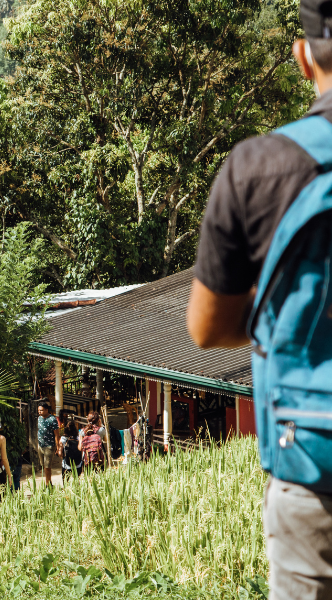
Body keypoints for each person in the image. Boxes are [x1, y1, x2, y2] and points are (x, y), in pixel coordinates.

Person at [187, 3, 332, 596]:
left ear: (303, 57)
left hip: (312, 472)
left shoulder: (258, 167)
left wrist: (289, 312)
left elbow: (207, 328)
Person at [35, 402, 59, 489]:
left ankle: (48, 484)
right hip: (40, 445)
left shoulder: (52, 419)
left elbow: (57, 434)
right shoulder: (39, 418)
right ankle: (48, 482)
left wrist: (58, 447)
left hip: (49, 446)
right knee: (43, 465)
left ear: (46, 410)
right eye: (38, 410)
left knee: (47, 466)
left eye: (41, 410)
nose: (39, 412)